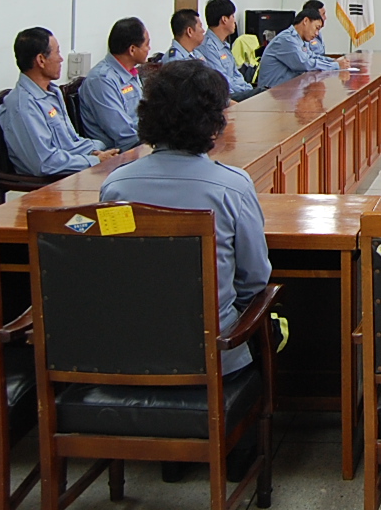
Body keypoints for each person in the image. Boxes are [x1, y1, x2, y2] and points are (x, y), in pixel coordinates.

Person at [99, 60, 271, 484]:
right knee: (267, 321)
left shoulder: (116, 187)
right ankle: (238, 450)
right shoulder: (231, 187)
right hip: (213, 353)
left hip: (129, 349)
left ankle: (172, 454)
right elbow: (255, 279)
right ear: (213, 122)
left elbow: (117, 273)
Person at [0, 27, 117, 176]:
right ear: (41, 60)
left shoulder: (53, 92)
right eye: (57, 52)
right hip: (54, 181)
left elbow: (71, 143)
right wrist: (93, 160)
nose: (61, 59)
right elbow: (45, 163)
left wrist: (95, 151)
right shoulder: (23, 106)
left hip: (75, 168)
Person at [77, 17, 151, 151]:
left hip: (141, 144)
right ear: (132, 49)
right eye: (146, 44)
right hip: (118, 153)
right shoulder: (101, 80)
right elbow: (123, 134)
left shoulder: (130, 73)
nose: (149, 49)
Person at [256, 9, 348, 90]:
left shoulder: (300, 40)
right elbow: (304, 64)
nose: (317, 33)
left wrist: (333, 61)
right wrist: (335, 65)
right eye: (316, 28)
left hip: (286, 91)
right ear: (305, 21)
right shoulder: (286, 40)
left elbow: (312, 56)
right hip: (271, 94)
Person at [201, 0, 257, 102]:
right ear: (224, 19)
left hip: (238, 92)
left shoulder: (225, 46)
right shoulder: (208, 47)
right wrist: (248, 92)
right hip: (226, 97)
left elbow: (236, 74)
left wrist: (248, 89)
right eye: (232, 16)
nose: (234, 21)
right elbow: (221, 82)